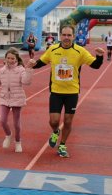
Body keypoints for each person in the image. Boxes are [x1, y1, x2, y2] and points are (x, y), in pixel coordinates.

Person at [30, 24, 105, 158]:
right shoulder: (53, 49)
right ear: (60, 35)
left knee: (68, 121)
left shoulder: (80, 51)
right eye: (64, 35)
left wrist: (99, 56)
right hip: (56, 91)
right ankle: (55, 132)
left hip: (72, 92)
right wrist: (32, 64)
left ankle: (62, 145)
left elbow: (95, 65)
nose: (66, 37)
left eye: (69, 35)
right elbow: (41, 62)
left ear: (73, 36)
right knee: (54, 121)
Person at [0, 48, 34, 153]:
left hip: (17, 98)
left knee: (16, 124)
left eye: (12, 58)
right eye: (8, 58)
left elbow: (26, 82)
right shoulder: (2, 70)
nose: (10, 60)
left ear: (16, 59)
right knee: (2, 120)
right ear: (5, 58)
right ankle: (8, 135)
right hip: (4, 97)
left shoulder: (21, 69)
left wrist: (29, 69)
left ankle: (18, 142)